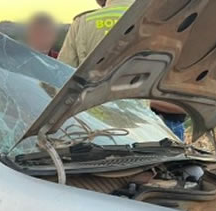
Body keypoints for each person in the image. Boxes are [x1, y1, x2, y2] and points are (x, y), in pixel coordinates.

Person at [59, 0, 188, 140]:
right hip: (144, 125)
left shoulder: (82, 22)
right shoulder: (161, 23)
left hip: (92, 125)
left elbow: (59, 78)